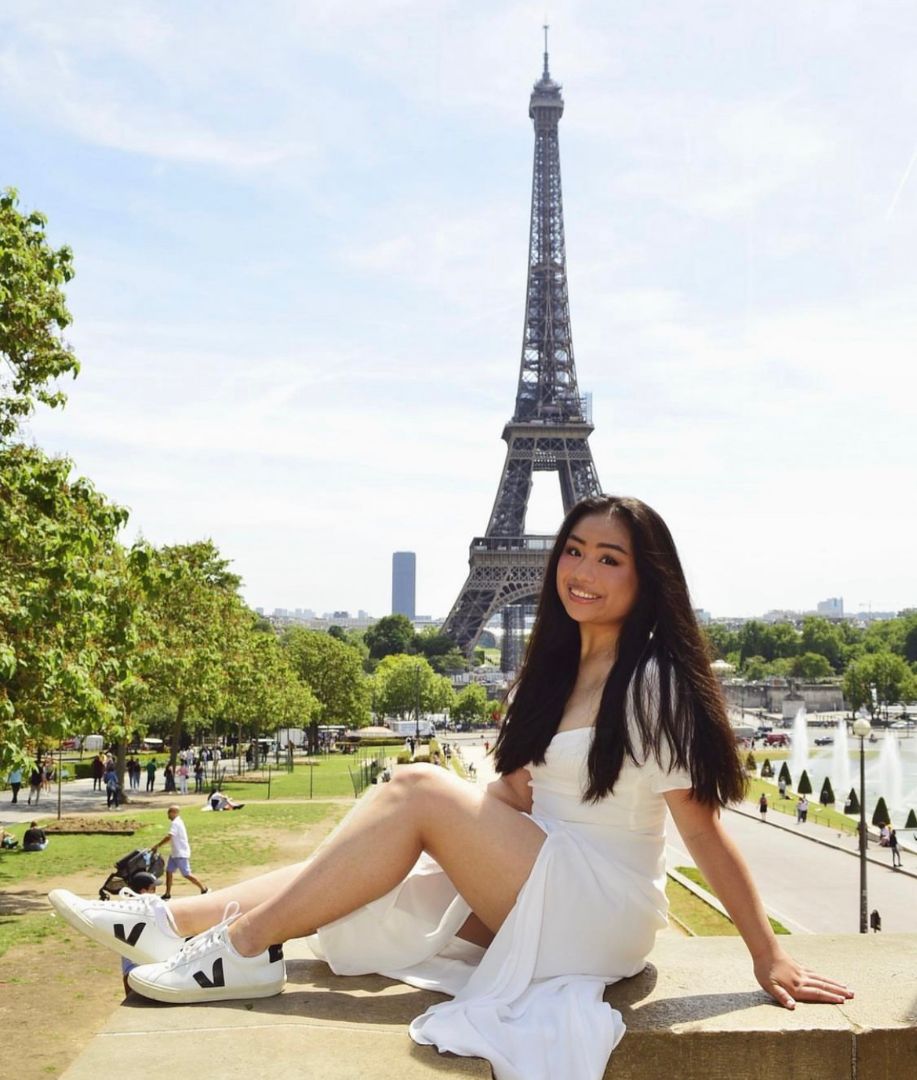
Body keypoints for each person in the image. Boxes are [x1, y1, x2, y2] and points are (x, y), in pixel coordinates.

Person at [46, 496, 852, 1080]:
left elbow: (704, 831)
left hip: (597, 903)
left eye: (611, 559)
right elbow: (519, 799)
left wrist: (766, 953)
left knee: (414, 789)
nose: (584, 569)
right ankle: (167, 919)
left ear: (649, 580)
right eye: (574, 550)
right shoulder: (560, 670)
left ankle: (245, 952)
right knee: (356, 877)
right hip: (546, 876)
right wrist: (495, 803)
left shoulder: (653, 684)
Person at [150, 805, 208, 900]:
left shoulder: (176, 823)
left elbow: (169, 836)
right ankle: (167, 893)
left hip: (181, 853)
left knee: (186, 874)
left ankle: (203, 888)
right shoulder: (178, 822)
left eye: (169, 812)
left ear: (174, 813)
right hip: (175, 853)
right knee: (169, 872)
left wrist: (158, 845)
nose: (168, 815)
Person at [121, 872, 160, 995]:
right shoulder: (143, 910)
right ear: (143, 892)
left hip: (136, 969)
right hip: (137, 970)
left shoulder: (127, 907)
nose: (155, 892)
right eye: (152, 889)